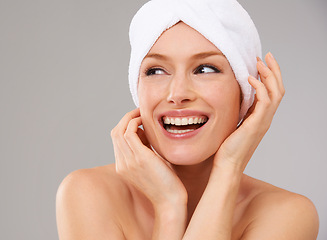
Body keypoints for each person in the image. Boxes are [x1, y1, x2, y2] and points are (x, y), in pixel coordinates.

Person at [56, 0, 319, 239]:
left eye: (205, 69)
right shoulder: (88, 194)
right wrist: (169, 207)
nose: (177, 94)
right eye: (156, 70)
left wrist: (229, 166)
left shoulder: (288, 214)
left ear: (245, 94)